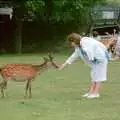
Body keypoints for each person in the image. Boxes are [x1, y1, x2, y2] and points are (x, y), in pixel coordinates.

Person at [59, 33, 109, 99]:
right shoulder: (78, 47)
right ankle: (91, 92)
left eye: (71, 42)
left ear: (74, 41)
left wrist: (91, 58)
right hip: (95, 61)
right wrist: (64, 64)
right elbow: (74, 56)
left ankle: (96, 93)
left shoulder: (86, 42)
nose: (71, 44)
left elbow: (92, 47)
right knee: (94, 75)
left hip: (100, 59)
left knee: (98, 76)